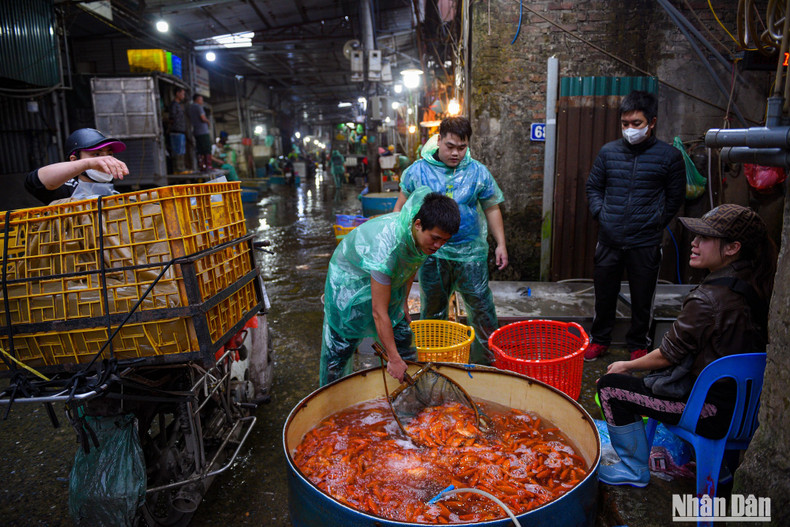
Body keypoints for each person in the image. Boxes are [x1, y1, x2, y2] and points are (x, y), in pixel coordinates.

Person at [596, 204, 776, 488]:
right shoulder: (760, 283)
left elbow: (667, 356)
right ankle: (724, 468)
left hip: (711, 414)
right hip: (747, 410)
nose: (693, 243)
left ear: (732, 248)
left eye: (704, 238)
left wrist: (627, 365)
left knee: (611, 387)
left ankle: (633, 470)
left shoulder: (708, 299)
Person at [393, 116, 508, 365]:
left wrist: (501, 244)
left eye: (462, 147)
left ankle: (486, 364)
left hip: (471, 254)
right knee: (433, 310)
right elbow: (401, 208)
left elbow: (491, 207)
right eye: (450, 146)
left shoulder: (477, 171)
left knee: (481, 307)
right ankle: (435, 361)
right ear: (439, 140)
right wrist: (396, 244)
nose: (456, 153)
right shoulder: (418, 171)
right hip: (432, 253)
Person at [320, 188, 460, 386]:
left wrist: (403, 301)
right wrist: (393, 359)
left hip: (383, 280)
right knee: (339, 353)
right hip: (349, 287)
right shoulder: (386, 250)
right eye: (435, 238)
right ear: (418, 225)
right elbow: (378, 312)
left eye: (444, 241)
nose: (438, 246)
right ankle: (329, 402)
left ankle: (410, 397)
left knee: (402, 337)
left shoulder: (419, 239)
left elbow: (412, 263)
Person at [585, 90, 685, 362]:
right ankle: (600, 340)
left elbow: (675, 197)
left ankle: (639, 344)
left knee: (643, 298)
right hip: (609, 239)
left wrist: (654, 223)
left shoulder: (669, 157)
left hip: (645, 242)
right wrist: (601, 214)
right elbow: (594, 186)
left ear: (651, 122)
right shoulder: (608, 153)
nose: (630, 129)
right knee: (604, 294)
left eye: (636, 123)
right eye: (625, 124)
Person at [24, 128, 129, 204]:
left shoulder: (115, 192)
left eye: (109, 154)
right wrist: (88, 164)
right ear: (74, 160)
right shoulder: (66, 188)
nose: (106, 160)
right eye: (96, 154)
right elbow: (34, 182)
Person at [189, 94, 212, 171]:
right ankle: (208, 166)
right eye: (201, 100)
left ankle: (201, 166)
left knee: (200, 149)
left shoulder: (191, 108)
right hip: (203, 131)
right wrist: (208, 121)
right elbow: (203, 118)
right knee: (207, 148)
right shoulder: (198, 107)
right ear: (197, 99)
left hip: (196, 131)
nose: (202, 101)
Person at [168, 87, 188, 173]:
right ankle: (178, 169)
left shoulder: (179, 105)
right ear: (177, 93)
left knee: (181, 151)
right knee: (177, 151)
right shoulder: (174, 105)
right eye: (182, 93)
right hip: (176, 131)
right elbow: (171, 118)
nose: (183, 96)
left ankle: (181, 168)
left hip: (181, 131)